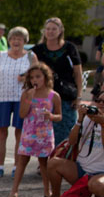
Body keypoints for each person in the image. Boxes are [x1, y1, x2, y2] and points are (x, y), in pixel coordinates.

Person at [0, 27, 36, 178]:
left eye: (19, 39)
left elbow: (38, 77)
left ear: (24, 41)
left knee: (19, 132)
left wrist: (27, 78)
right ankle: (0, 166)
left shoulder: (31, 56)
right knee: (2, 131)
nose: (16, 42)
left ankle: (16, 166)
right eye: (13, 38)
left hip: (23, 98)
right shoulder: (2, 55)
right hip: (2, 97)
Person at [9, 63, 61, 197]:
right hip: (29, 133)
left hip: (44, 134)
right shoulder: (27, 93)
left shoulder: (53, 95)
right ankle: (14, 191)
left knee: (43, 163)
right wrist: (28, 98)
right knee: (22, 161)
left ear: (46, 77)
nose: (34, 80)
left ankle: (46, 190)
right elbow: (21, 114)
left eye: (38, 77)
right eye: (32, 78)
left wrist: (51, 116)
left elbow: (59, 116)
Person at [45, 95, 104, 197]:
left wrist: (102, 124)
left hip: (101, 173)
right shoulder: (89, 118)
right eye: (98, 100)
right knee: (53, 163)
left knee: (96, 185)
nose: (100, 103)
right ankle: (55, 196)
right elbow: (72, 141)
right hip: (82, 170)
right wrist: (80, 120)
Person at [32, 17, 83, 146]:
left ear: (60, 30)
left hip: (66, 95)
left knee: (66, 129)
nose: (50, 32)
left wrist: (79, 96)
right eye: (48, 29)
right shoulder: (37, 50)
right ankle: (46, 161)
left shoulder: (69, 48)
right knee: (44, 130)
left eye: (54, 29)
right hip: (44, 96)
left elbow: (78, 73)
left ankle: (62, 160)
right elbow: (30, 72)